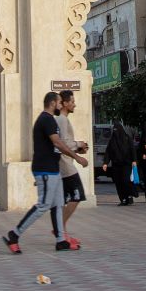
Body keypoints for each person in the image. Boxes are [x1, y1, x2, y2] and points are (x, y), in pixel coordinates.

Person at [3, 92, 87, 253]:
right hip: (45, 169)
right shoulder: (46, 120)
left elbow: (56, 146)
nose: (61, 105)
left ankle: (61, 240)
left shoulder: (49, 120)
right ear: (53, 103)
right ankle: (14, 235)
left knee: (57, 204)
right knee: (44, 205)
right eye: (60, 102)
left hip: (52, 170)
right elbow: (58, 143)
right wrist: (77, 157)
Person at [55, 90, 90, 242]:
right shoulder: (62, 120)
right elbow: (63, 143)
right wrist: (78, 144)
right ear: (65, 103)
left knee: (65, 199)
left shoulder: (64, 120)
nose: (74, 104)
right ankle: (60, 228)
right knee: (77, 196)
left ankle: (61, 230)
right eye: (72, 101)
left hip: (65, 164)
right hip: (66, 165)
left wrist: (78, 148)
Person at [107, 123, 137, 205]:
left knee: (126, 181)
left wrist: (134, 160)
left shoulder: (127, 138)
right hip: (116, 165)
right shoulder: (112, 140)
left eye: (117, 130)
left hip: (126, 164)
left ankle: (129, 197)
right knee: (118, 182)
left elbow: (132, 150)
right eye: (114, 130)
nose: (116, 132)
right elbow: (108, 152)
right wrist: (105, 163)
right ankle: (123, 199)